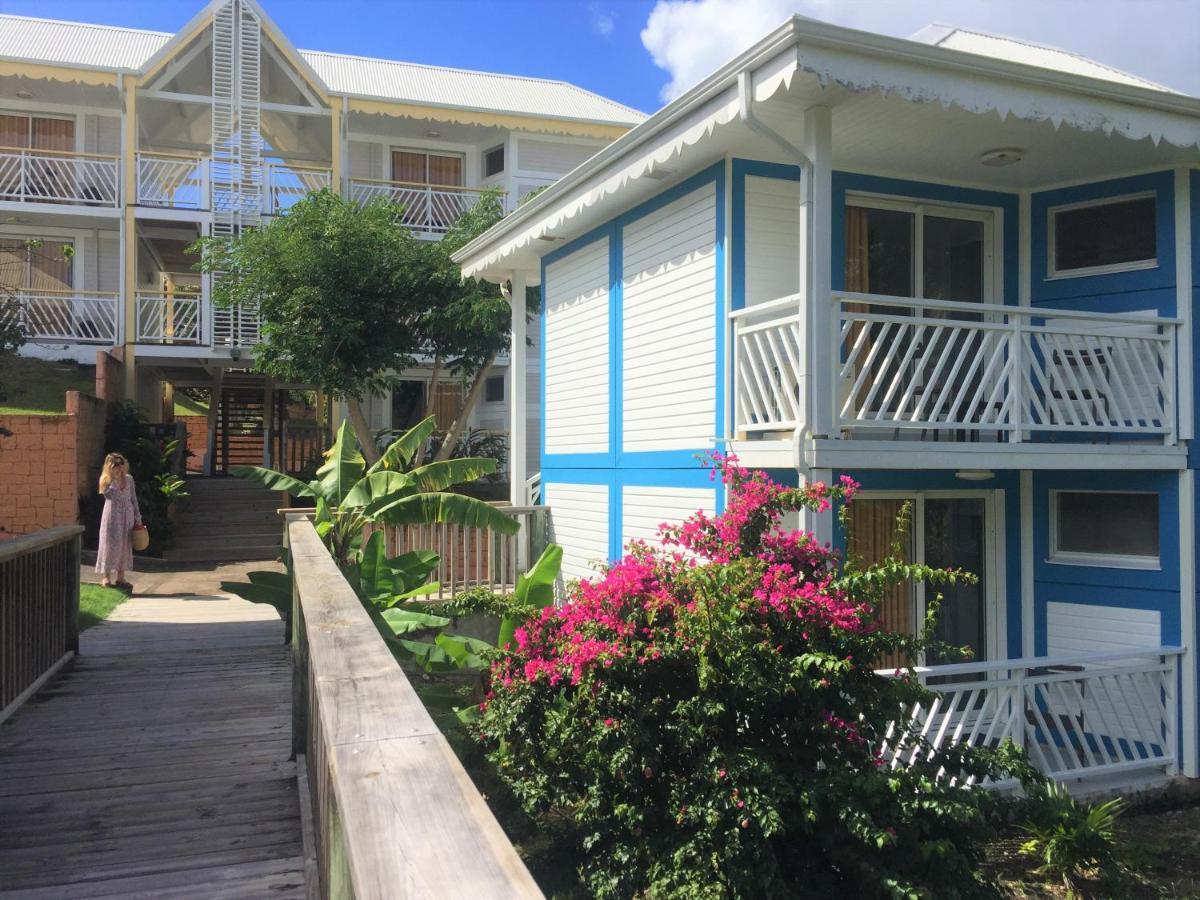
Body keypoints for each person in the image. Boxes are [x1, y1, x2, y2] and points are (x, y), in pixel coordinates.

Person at [95, 452, 141, 591]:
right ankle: (107, 576)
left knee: (124, 545)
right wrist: (113, 479)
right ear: (109, 466)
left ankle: (121, 577)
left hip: (127, 515)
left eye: (121, 464)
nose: (119, 467)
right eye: (116, 464)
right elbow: (107, 495)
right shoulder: (106, 480)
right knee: (109, 543)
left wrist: (138, 516)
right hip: (112, 515)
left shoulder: (129, 479)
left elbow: (133, 498)